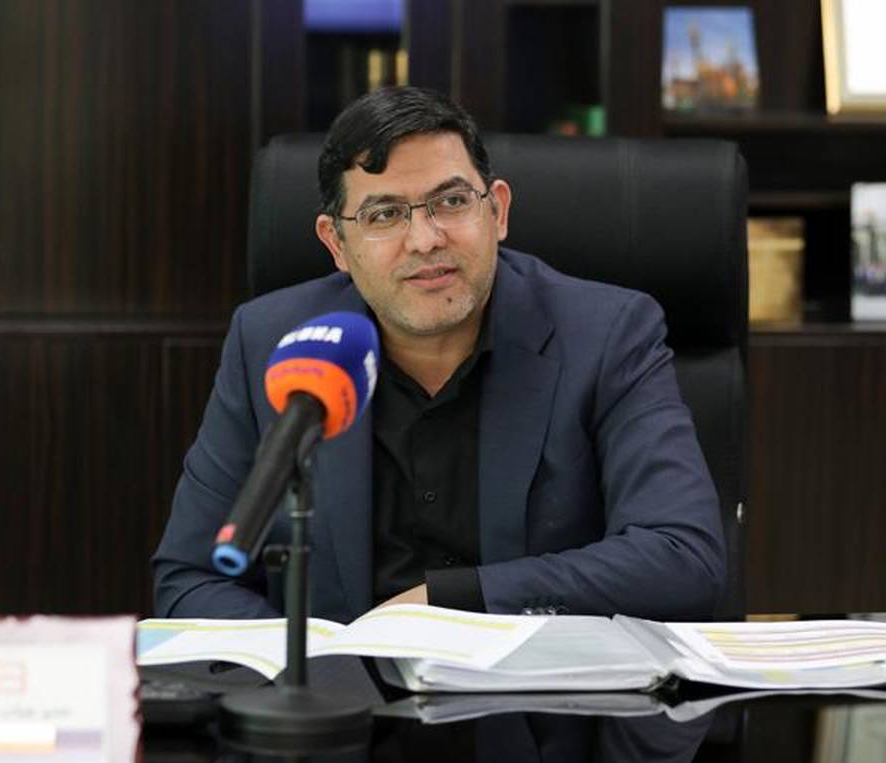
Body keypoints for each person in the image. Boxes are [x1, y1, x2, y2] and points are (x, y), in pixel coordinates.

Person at [152, 86, 724, 623]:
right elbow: (190, 579)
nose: (426, 239)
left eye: (451, 202)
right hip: (342, 691)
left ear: (497, 212)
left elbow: (681, 556)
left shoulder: (607, 335)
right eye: (383, 214)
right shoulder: (275, 344)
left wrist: (451, 603)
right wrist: (320, 667)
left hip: (532, 692)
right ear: (336, 244)